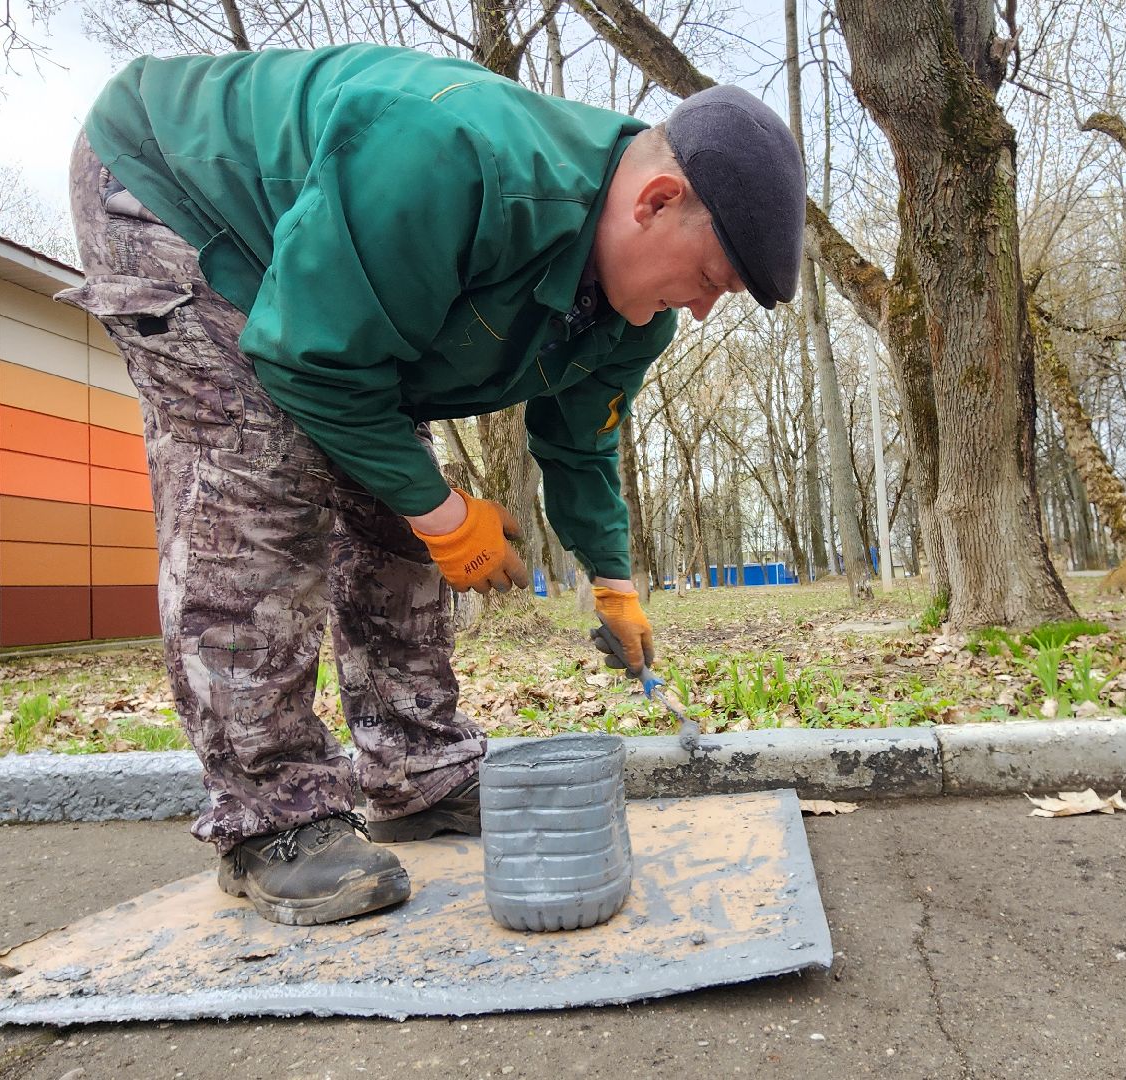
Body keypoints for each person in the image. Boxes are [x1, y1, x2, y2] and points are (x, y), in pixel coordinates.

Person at [58, 43, 806, 927]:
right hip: (182, 191)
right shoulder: (451, 154)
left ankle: (417, 771)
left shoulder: (635, 318)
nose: (703, 308)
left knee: (392, 496)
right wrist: (447, 516)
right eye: (710, 278)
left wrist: (613, 583)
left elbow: (580, 446)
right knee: (261, 471)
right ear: (656, 201)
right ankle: (273, 815)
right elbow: (312, 360)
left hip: (333, 285)